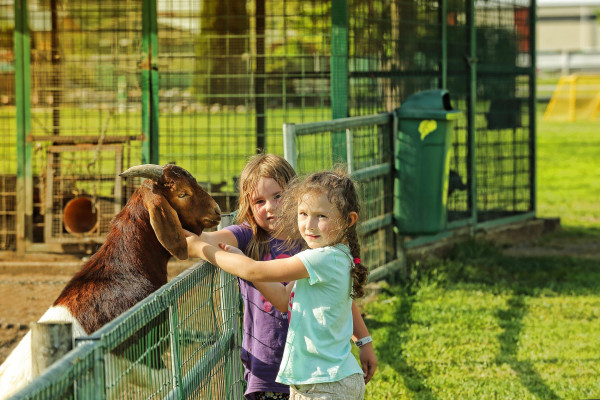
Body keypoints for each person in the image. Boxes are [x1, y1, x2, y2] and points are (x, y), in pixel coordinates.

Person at [196, 154, 376, 400]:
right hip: (270, 367)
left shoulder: (314, 245)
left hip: (313, 375)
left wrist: (363, 340)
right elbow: (208, 240)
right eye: (259, 200)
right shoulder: (248, 236)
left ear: (293, 196)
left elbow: (342, 301)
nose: (270, 207)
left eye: (278, 196)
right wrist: (190, 239)